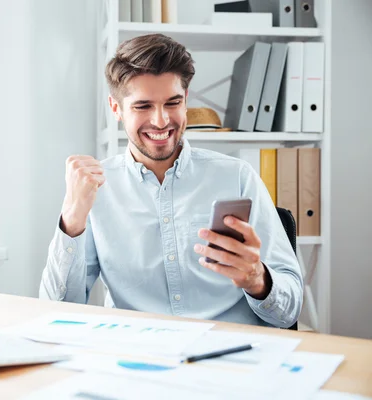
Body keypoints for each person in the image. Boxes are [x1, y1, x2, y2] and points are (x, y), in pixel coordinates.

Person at [39, 34, 303, 328]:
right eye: (143, 106)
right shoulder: (94, 189)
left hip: (229, 354)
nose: (162, 121)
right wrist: (72, 219)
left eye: (172, 103)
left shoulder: (237, 177)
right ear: (116, 109)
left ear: (186, 101)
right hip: (140, 357)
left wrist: (258, 279)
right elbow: (58, 312)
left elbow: (288, 313)